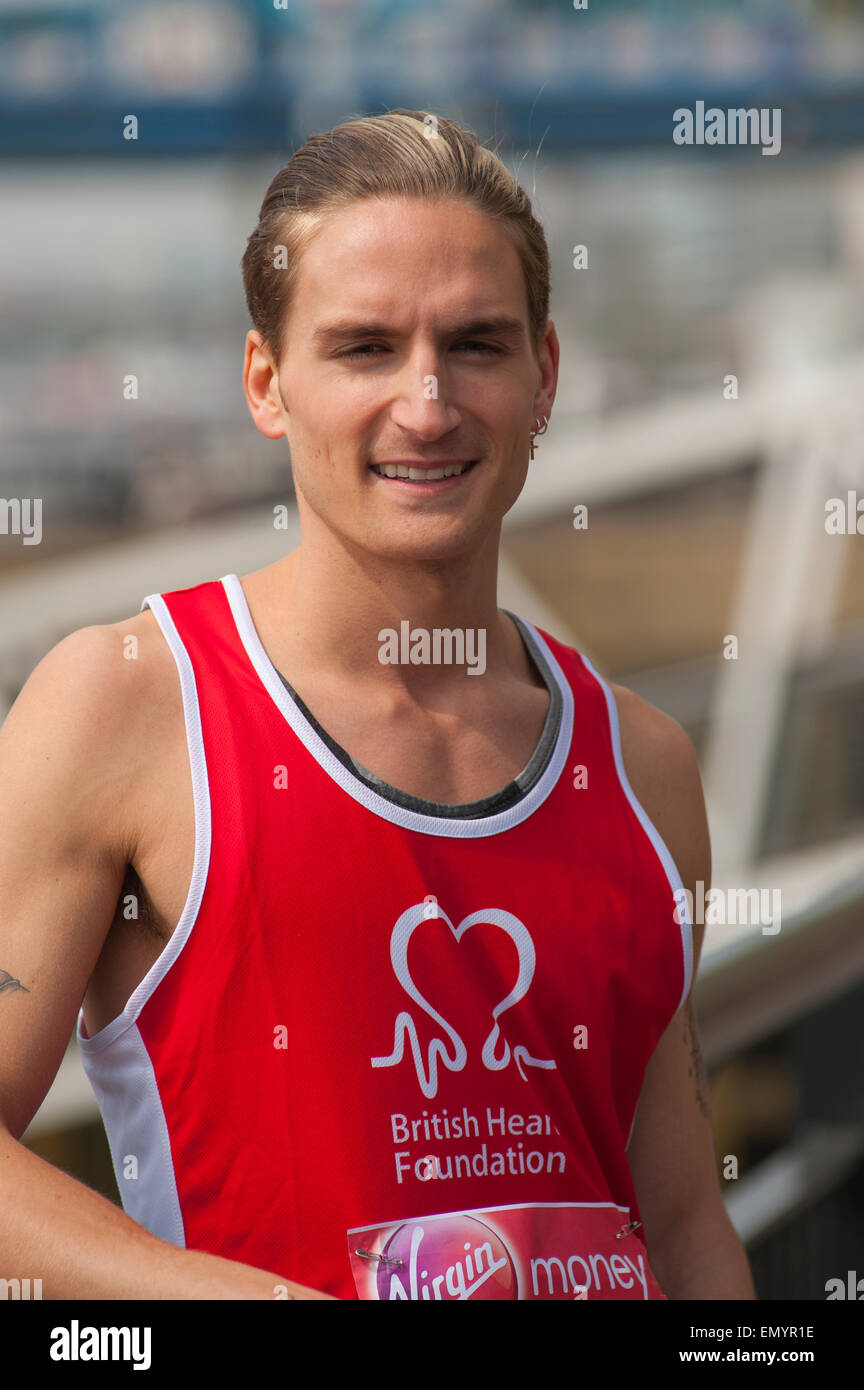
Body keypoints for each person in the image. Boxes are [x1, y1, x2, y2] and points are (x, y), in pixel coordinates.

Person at [0, 110, 754, 1300]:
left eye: (478, 345)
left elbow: (681, 1220)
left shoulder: (642, 763)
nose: (428, 401)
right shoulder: (132, 705)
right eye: (362, 349)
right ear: (267, 382)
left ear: (544, 374)